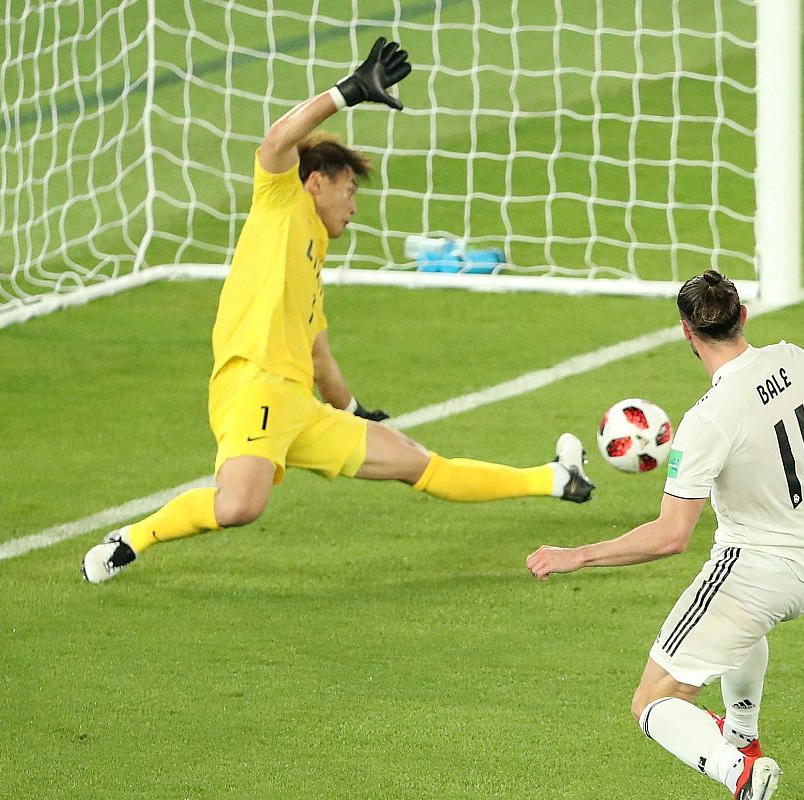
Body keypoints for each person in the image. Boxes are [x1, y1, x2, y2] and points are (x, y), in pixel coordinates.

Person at [84, 37, 593, 584]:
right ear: (316, 182)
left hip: (297, 405)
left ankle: (555, 478)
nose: (353, 205)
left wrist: (351, 410)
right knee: (239, 507)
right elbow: (278, 139)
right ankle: (130, 540)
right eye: (349, 190)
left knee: (419, 464)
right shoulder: (280, 203)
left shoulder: (312, 251)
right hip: (253, 386)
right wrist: (350, 91)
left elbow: (316, 346)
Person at [526, 270, 804, 800]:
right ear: (743, 316)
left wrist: (574, 555)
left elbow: (669, 536)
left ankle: (741, 772)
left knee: (653, 701)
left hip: (757, 568)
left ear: (688, 331)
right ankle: (743, 737)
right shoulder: (798, 360)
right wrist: (782, 490)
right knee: (742, 626)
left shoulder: (707, 419)